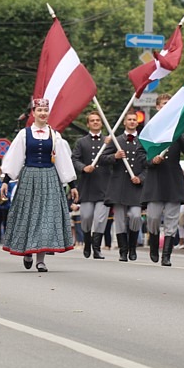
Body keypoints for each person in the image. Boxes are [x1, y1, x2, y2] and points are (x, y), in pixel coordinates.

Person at [0, 98, 78, 272]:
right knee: (28, 214)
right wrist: (6, 180)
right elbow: (15, 158)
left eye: (45, 110)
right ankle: (28, 251)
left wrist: (72, 184)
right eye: (39, 110)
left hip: (50, 178)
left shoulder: (55, 135)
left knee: (45, 218)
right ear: (33, 113)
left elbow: (63, 160)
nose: (43, 113)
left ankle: (40, 260)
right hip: (29, 177)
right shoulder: (24, 134)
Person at [136, 93, 184, 267]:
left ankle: (166, 255)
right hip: (155, 180)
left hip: (173, 180)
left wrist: (179, 133)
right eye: (164, 104)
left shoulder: (179, 128)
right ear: (158, 107)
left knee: (172, 219)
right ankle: (154, 243)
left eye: (170, 104)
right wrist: (152, 161)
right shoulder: (150, 129)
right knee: (153, 218)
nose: (167, 106)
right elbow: (140, 156)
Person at [99, 109, 145, 262]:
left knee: (135, 216)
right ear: (125, 122)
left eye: (134, 119)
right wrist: (115, 156)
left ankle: (132, 247)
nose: (132, 121)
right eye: (129, 119)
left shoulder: (143, 141)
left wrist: (141, 178)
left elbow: (148, 164)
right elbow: (102, 159)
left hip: (136, 185)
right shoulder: (116, 140)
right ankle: (123, 251)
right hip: (119, 184)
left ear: (137, 122)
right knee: (119, 218)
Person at [71, 111, 111, 260]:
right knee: (86, 217)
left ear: (101, 123)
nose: (95, 122)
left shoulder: (108, 141)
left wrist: (114, 152)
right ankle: (87, 241)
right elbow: (74, 159)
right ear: (88, 124)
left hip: (104, 185)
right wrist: (83, 167)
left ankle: (96, 247)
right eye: (92, 120)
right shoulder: (82, 142)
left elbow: (113, 159)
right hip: (87, 186)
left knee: (100, 219)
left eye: (98, 120)